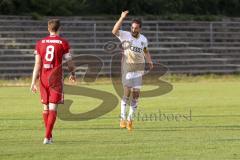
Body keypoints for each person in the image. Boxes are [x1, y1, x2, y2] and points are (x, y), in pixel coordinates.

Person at [30, 19, 76, 144]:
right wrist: (73, 73)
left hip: (43, 78)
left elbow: (37, 64)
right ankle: (47, 137)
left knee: (45, 108)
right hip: (55, 79)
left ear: (48, 28)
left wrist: (33, 82)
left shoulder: (40, 43)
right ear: (59, 28)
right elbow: (69, 62)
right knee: (53, 108)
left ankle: (49, 137)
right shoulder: (63, 43)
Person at [112, 10, 153, 131]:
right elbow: (114, 31)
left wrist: (149, 60)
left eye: (136, 28)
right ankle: (122, 119)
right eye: (132, 27)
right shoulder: (125, 35)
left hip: (139, 68)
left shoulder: (143, 39)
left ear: (140, 29)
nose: (133, 30)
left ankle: (130, 120)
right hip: (128, 67)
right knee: (127, 92)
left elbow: (145, 50)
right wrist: (121, 18)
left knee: (136, 96)